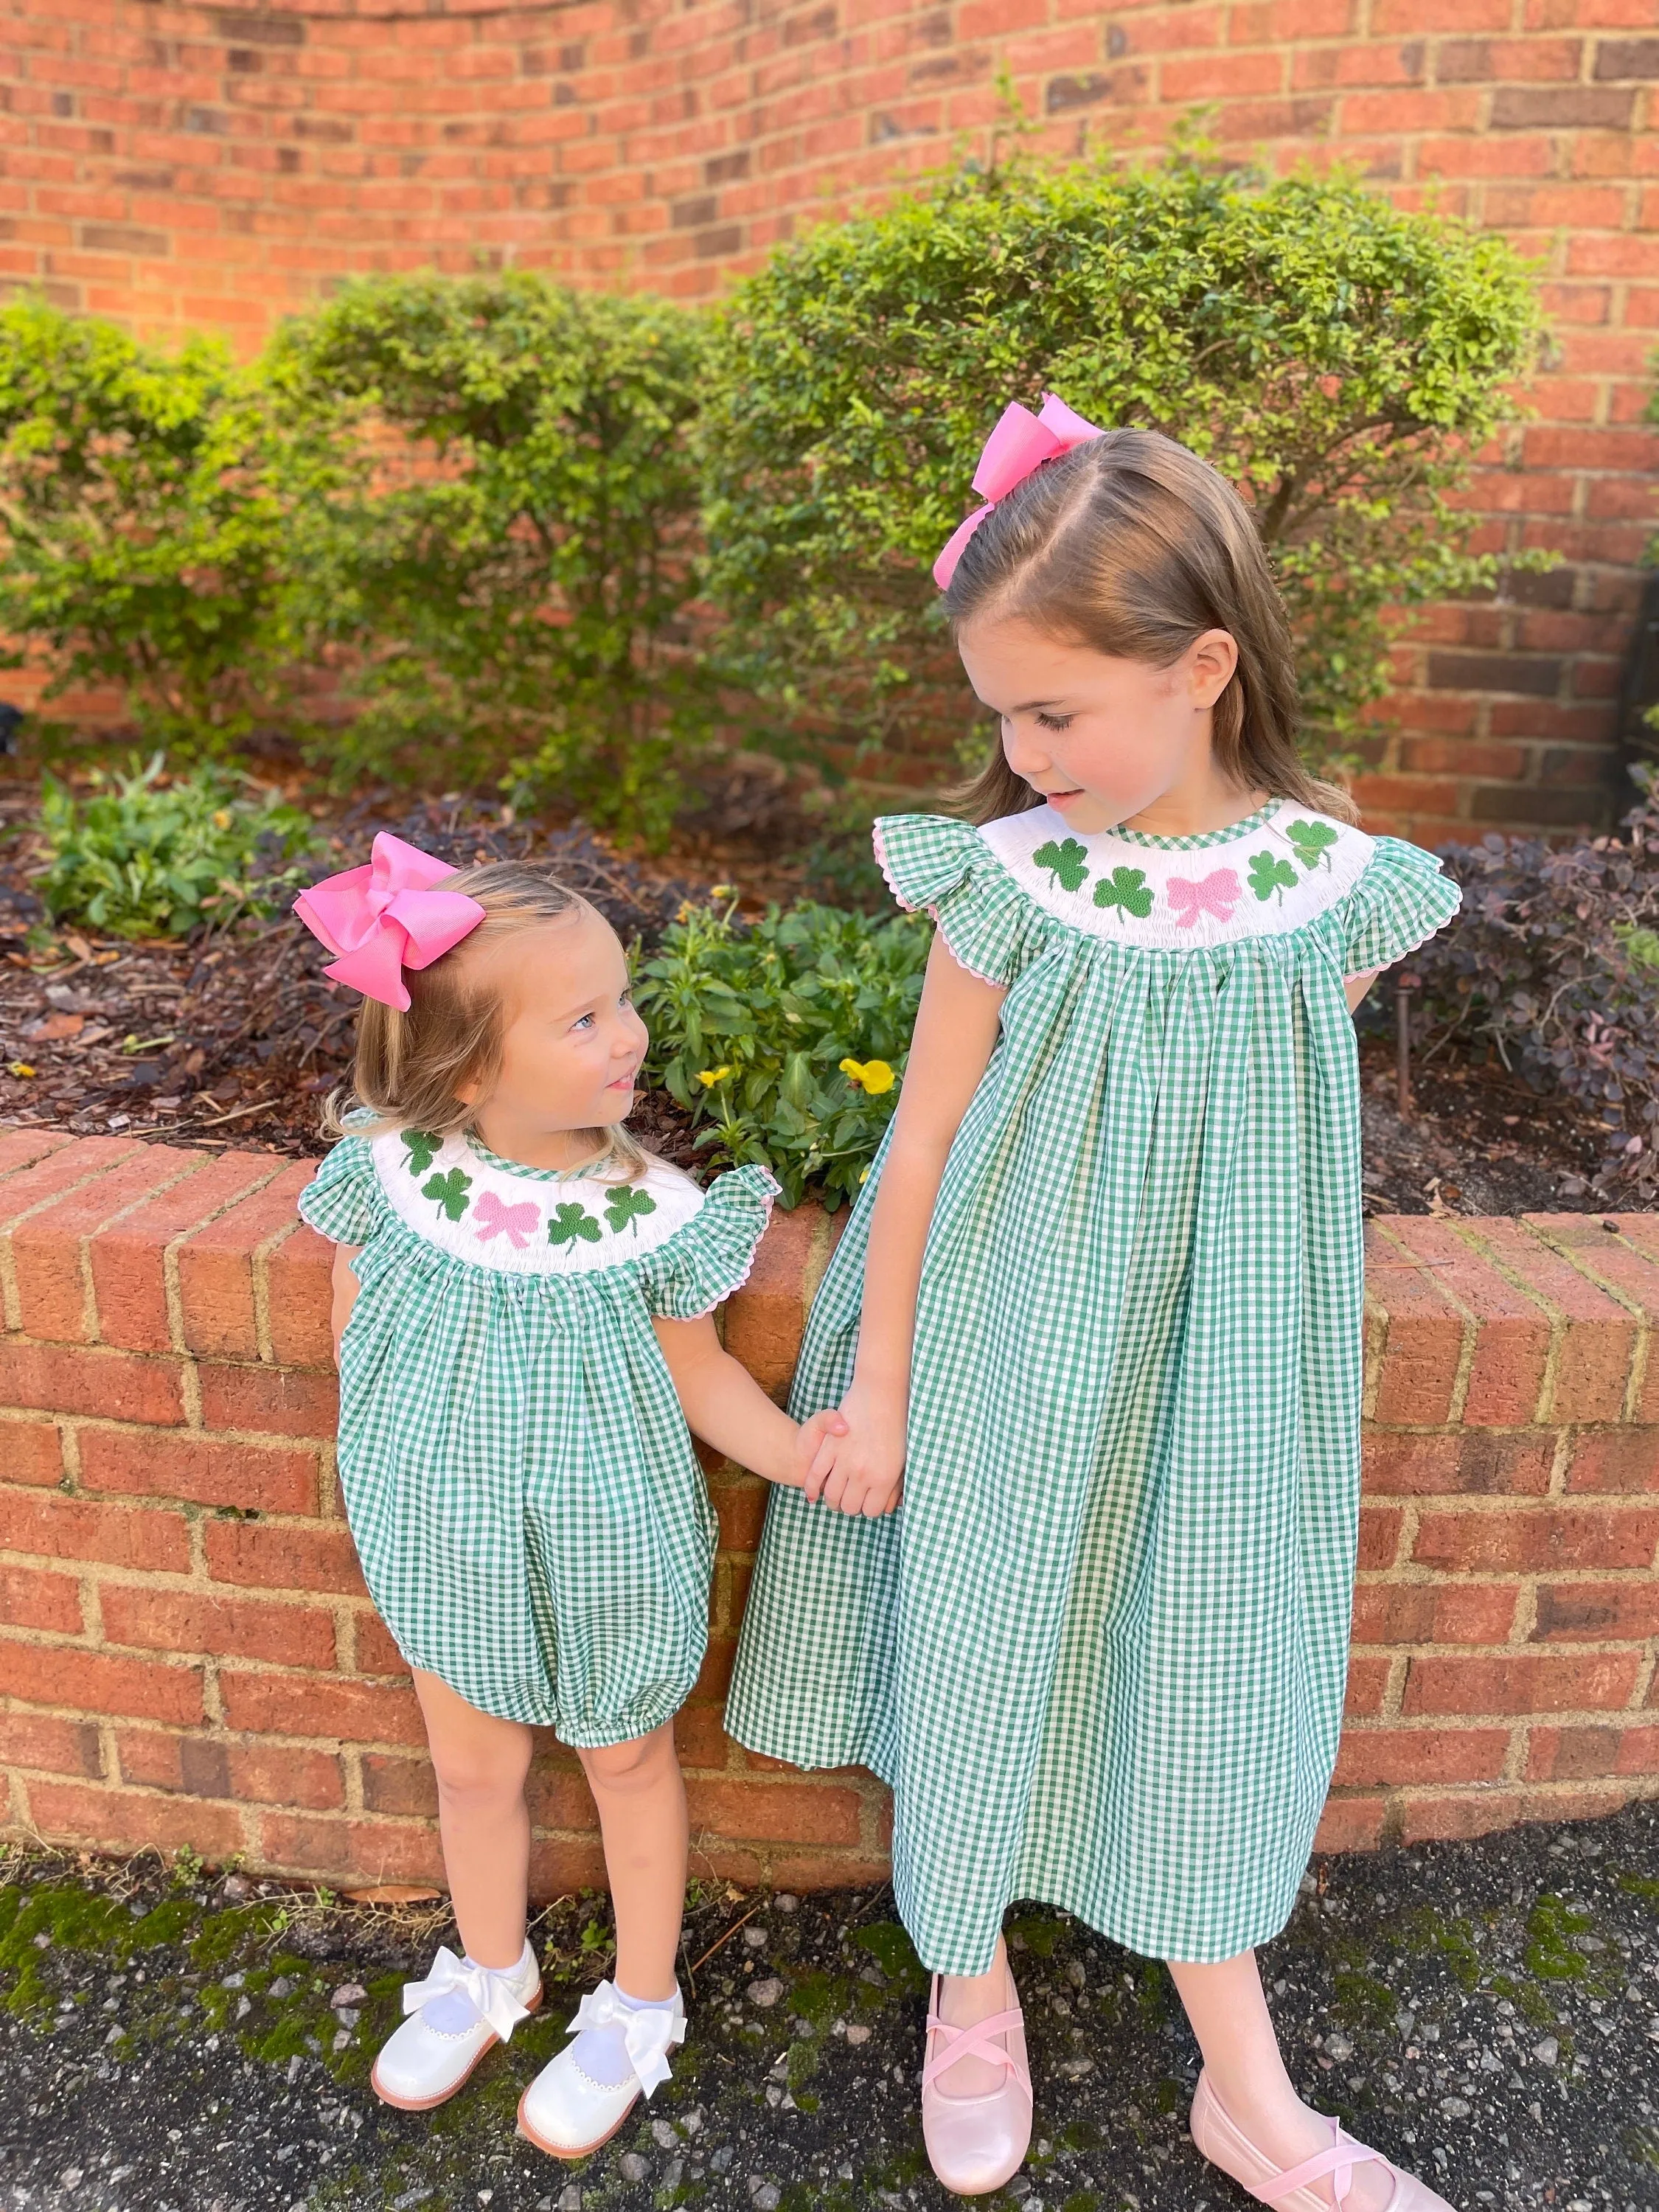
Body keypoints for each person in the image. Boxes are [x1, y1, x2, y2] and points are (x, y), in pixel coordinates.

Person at [727, 401, 1461, 2209]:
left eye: (1052, 713)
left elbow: (1259, 1173)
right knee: (981, 1641)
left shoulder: (1335, 900)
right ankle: (966, 1973)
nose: (1020, 750)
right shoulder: (1013, 882)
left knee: (1207, 1663)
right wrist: (879, 1386)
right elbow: (923, 1142)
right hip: (1001, 1346)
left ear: (1204, 665)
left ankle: (1250, 2091)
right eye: (997, 714)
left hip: (1224, 1368)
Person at [293, 846, 835, 2160]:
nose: (628, 1035)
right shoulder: (398, 1181)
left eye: (622, 999)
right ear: (470, 1071)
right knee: (475, 1773)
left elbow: (698, 1377)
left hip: (613, 1546)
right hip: (448, 1542)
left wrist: (804, 1456)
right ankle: (490, 1970)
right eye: (583, 1017)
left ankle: (641, 2001)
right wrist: (401, 1490)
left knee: (626, 1760)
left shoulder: (651, 1217)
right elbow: (360, 1352)